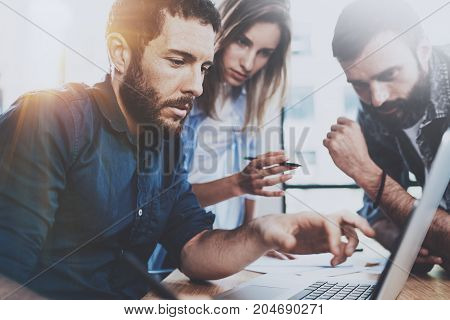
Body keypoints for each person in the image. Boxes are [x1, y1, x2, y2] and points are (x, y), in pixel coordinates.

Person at [0, 0, 374, 299]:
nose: (196, 86)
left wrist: (266, 231)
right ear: (120, 52)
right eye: (178, 61)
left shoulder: (165, 138)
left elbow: (193, 248)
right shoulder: (50, 118)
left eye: (204, 67)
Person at [324, 0, 449, 273]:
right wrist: (403, 243)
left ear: (423, 51)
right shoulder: (373, 107)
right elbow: (376, 213)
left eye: (390, 74)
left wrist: (367, 173)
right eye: (359, 84)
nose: (377, 99)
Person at [183, 0, 293, 230]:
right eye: (242, 42)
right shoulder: (184, 96)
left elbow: (249, 188)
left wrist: (250, 238)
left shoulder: (246, 102)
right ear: (221, 32)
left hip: (219, 236)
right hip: (173, 245)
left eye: (264, 53)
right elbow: (166, 201)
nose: (248, 63)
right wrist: (239, 184)